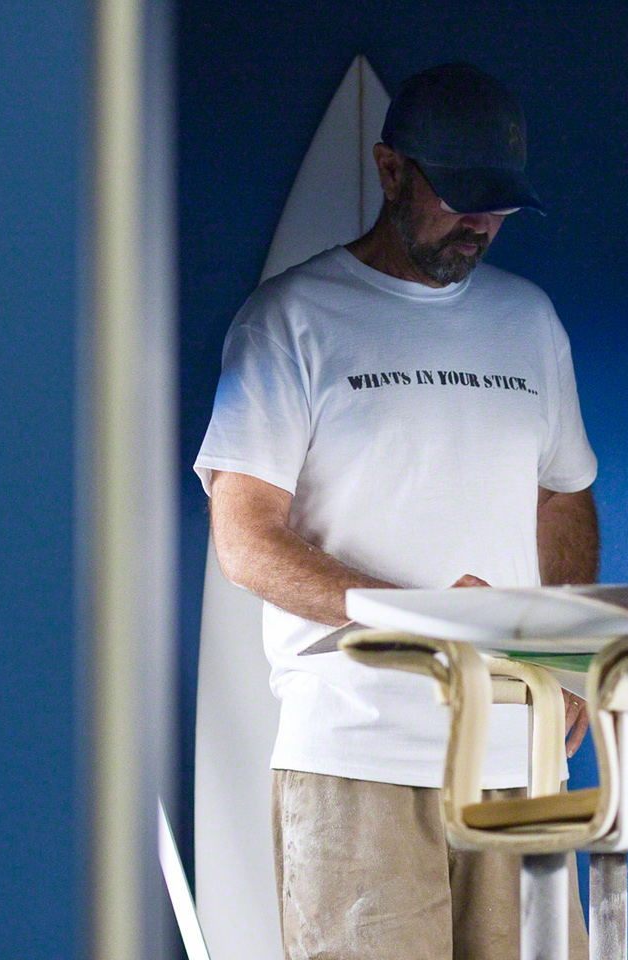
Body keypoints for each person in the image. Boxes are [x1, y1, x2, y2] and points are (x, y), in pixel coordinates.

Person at [195, 63, 597, 960]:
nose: (480, 224)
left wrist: (568, 654)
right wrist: (415, 613)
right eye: (459, 199)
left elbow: (563, 493)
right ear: (390, 170)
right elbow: (244, 540)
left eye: (498, 207)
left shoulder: (528, 321)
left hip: (514, 760)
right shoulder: (290, 319)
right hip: (357, 753)